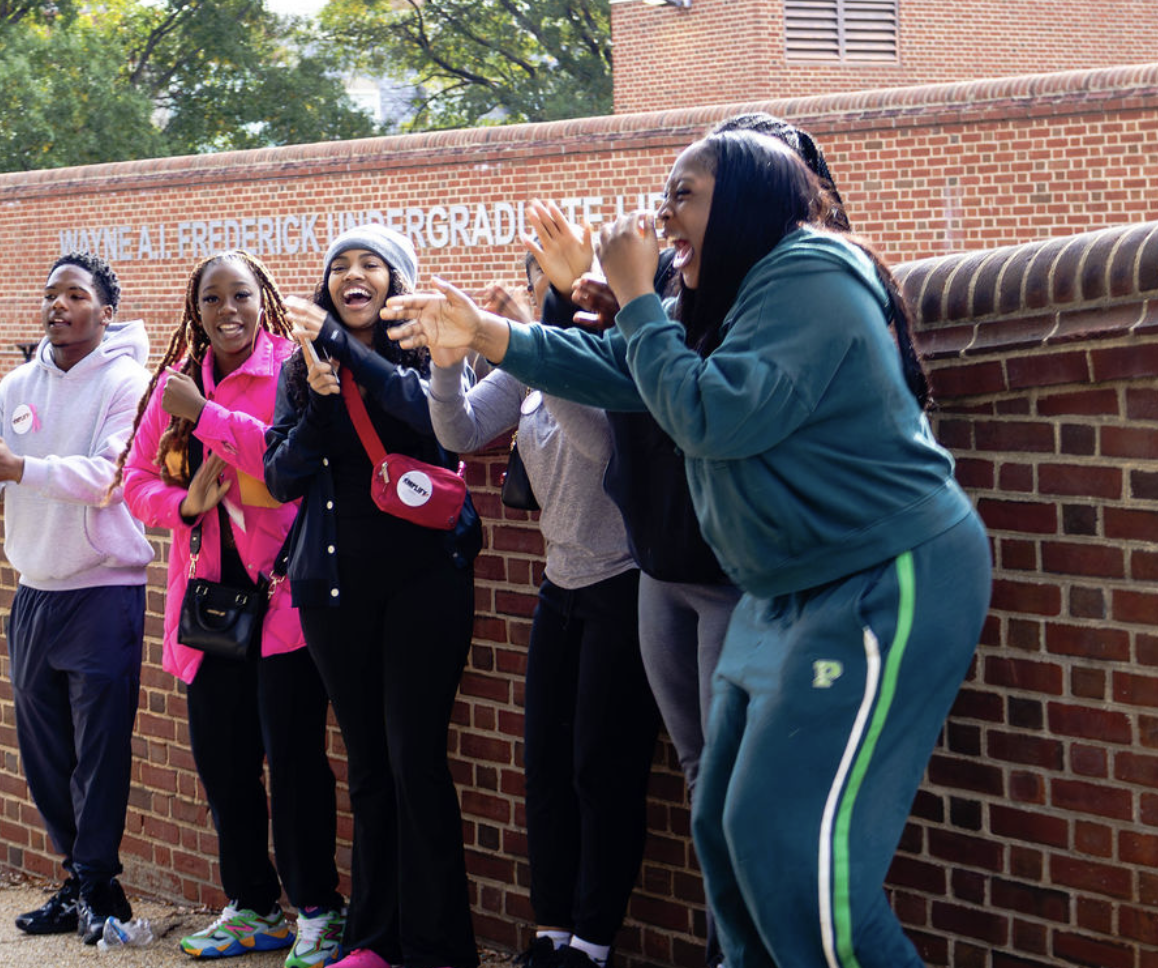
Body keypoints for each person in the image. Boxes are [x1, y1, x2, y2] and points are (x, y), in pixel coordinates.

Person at [385, 131, 991, 968]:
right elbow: (617, 367)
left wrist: (636, 295)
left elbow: (713, 417)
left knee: (797, 864)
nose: (662, 214)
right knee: (729, 829)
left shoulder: (812, 275)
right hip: (781, 587)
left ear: (744, 203)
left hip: (879, 577)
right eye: (664, 193)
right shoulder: (723, 296)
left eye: (684, 195)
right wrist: (487, 332)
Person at [426, 256, 659, 968]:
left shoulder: (620, 355)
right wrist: (445, 364)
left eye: (566, 274)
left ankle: (591, 945)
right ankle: (552, 933)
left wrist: (537, 348)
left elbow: (601, 450)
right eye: (539, 278)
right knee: (546, 768)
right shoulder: (524, 362)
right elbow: (460, 433)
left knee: (602, 769)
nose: (552, 289)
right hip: (560, 586)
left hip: (623, 585)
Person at [262, 225, 483, 968]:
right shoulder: (303, 369)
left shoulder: (428, 350)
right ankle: (374, 941)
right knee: (368, 768)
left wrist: (345, 350)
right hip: (335, 592)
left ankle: (438, 949)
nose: (352, 276)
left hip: (426, 582)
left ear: (397, 282)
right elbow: (280, 476)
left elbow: (435, 420)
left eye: (371, 264)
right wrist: (320, 404)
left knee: (414, 759)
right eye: (339, 266)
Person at [116, 251, 346, 966]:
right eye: (212, 298)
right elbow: (135, 481)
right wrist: (185, 504)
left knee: (296, 764)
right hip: (210, 609)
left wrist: (205, 416)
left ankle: (319, 911)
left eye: (240, 295)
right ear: (196, 309)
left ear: (262, 298)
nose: (228, 311)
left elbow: (287, 465)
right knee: (225, 766)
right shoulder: (176, 382)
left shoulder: (289, 371)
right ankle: (254, 907)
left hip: (285, 602)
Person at [0, 251, 153, 945]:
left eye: (74, 295)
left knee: (99, 752)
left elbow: (109, 476)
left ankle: (98, 888)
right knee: (46, 758)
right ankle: (82, 884)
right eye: (50, 294)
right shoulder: (18, 384)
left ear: (106, 311)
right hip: (34, 593)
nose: (57, 305)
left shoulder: (128, 383)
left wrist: (19, 467)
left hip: (103, 591)